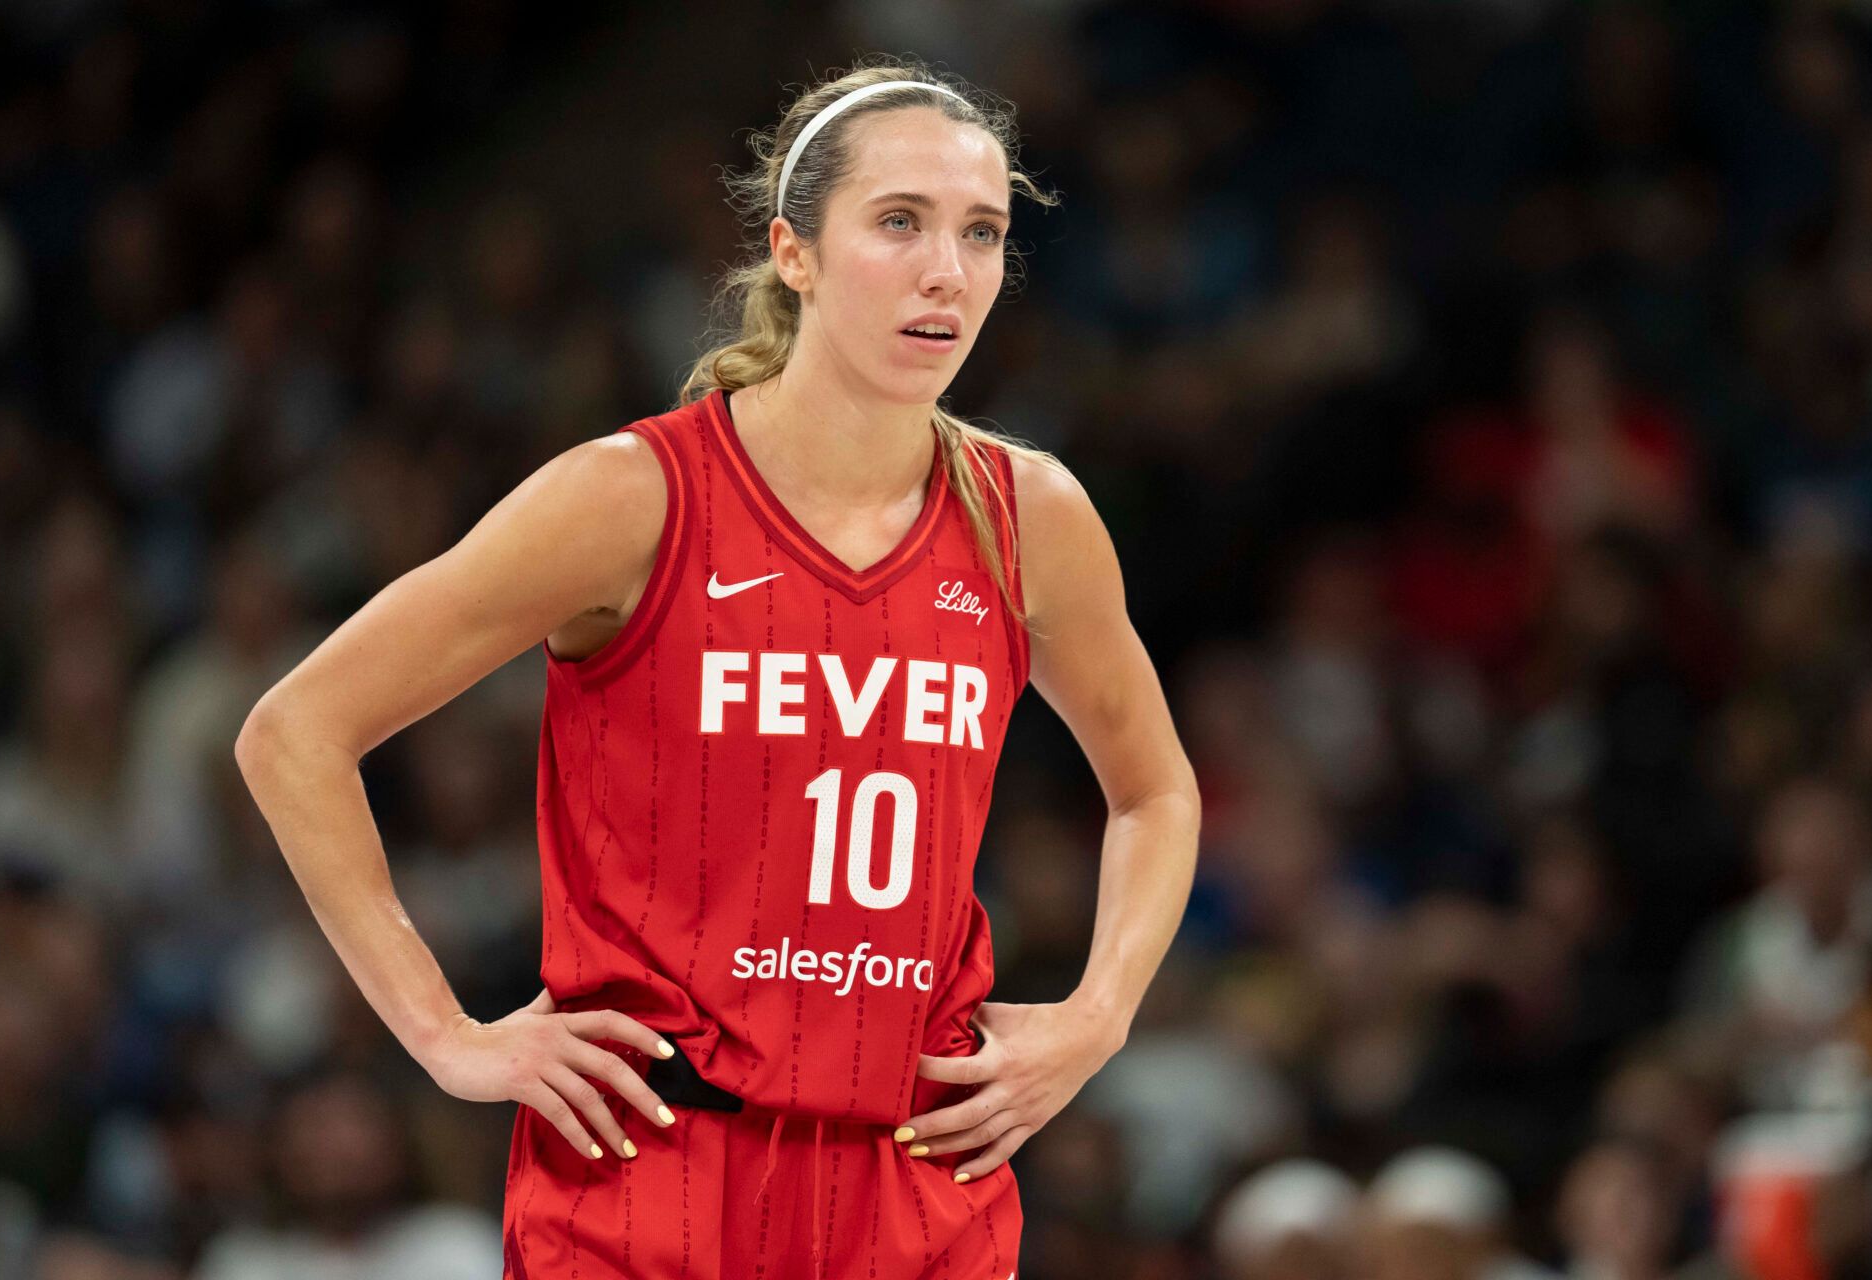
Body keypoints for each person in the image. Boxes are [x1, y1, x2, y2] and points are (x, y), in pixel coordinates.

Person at [234, 58, 1202, 1280]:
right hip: (651, 1170)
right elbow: (294, 730)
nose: (946, 271)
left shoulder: (1032, 518)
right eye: (898, 223)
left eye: (982, 233)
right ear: (793, 254)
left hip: (917, 1182)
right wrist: (441, 1032)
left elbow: (1157, 792)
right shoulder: (631, 498)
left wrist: (1098, 1016)